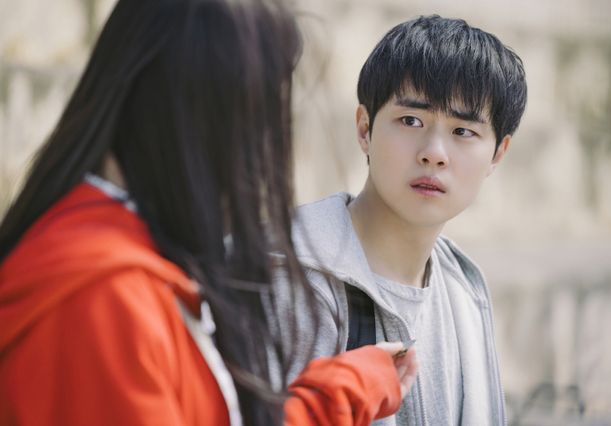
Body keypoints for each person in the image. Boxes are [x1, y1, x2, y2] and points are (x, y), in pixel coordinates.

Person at [0, 0, 419, 425]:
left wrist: (345, 390)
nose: (259, 161)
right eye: (259, 123)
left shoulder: (115, 254)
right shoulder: (104, 299)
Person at [282, 15, 527, 425]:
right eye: (411, 121)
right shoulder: (293, 276)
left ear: (497, 154)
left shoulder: (464, 287)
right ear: (365, 129)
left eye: (463, 131)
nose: (434, 153)